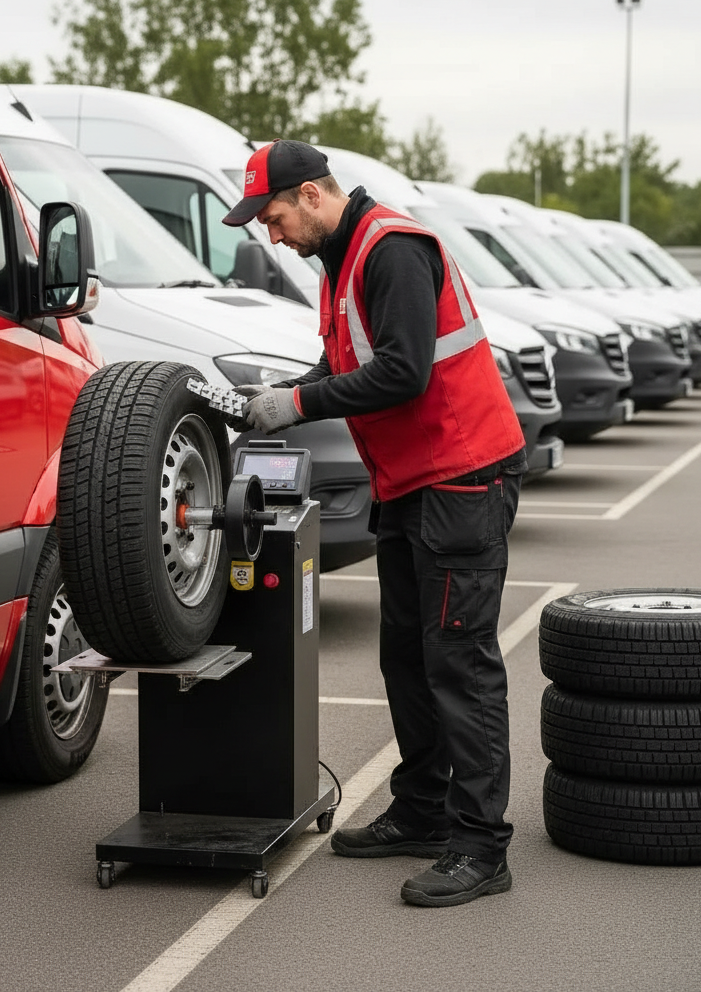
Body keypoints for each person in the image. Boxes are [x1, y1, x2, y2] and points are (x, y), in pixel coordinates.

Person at [222, 139, 526, 908]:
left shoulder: (389, 250)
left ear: (314, 197)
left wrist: (297, 406)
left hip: (462, 477)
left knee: (459, 663)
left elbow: (403, 370)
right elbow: (344, 362)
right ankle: (423, 812)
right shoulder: (342, 259)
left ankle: (482, 849)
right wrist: (287, 391)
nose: (273, 234)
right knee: (407, 659)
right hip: (411, 481)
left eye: (276, 215)